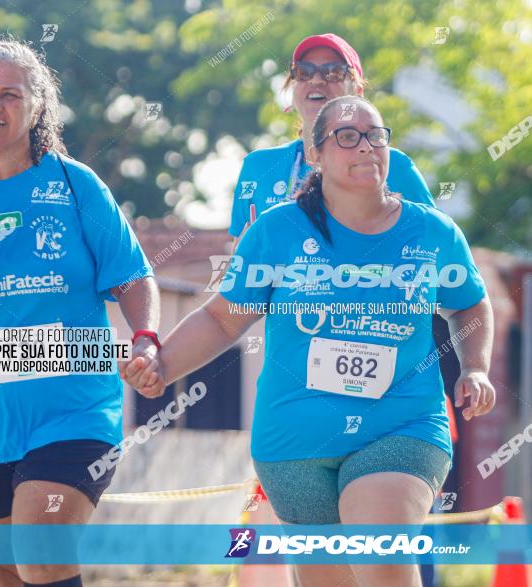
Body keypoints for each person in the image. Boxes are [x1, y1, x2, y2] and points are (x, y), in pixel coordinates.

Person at [123, 95, 496, 587]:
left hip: (402, 425)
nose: (366, 146)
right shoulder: (277, 230)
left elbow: (470, 302)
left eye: (376, 135)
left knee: (380, 559)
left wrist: (475, 366)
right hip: (293, 445)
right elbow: (222, 320)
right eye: (347, 136)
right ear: (316, 153)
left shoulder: (431, 232)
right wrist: (162, 366)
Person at [0, 39, 161, 587]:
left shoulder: (75, 184)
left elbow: (134, 277)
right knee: (0, 575)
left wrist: (145, 338)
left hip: (72, 411)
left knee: (41, 554)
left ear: (37, 106)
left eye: (10, 94)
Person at [228, 33, 434, 242]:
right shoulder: (258, 167)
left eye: (333, 72)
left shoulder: (392, 164)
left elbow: (436, 247)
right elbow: (232, 265)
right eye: (303, 71)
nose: (316, 80)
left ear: (357, 92)